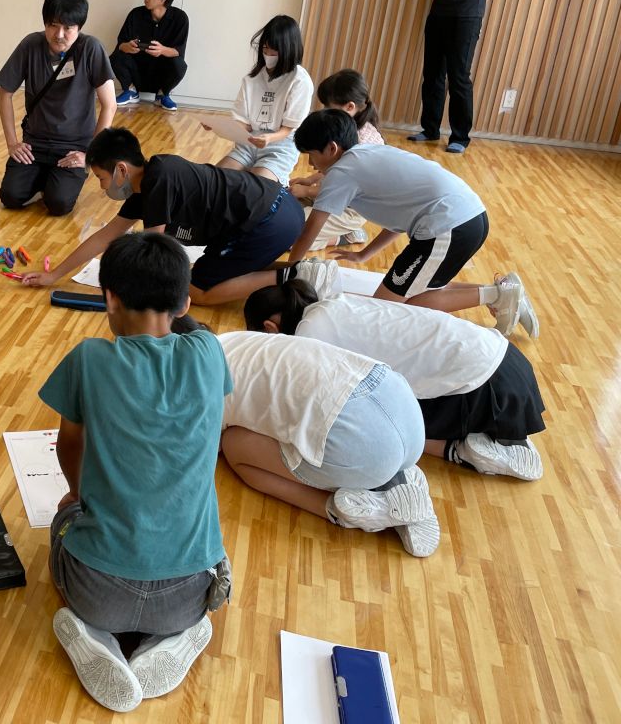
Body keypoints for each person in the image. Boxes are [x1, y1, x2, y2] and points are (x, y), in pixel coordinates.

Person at [39, 232, 231, 713]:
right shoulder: (210, 353)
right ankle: (171, 640)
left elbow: (70, 445)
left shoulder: (89, 358)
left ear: (109, 299)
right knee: (207, 558)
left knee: (62, 523)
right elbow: (193, 333)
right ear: (184, 301)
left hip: (95, 590)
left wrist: (76, 495)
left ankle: (94, 633)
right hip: (188, 593)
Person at [244, 280, 545, 480]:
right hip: (508, 362)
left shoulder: (308, 337)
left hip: (482, 388)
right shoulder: (336, 302)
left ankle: (461, 450)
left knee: (375, 425)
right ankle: (497, 439)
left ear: (271, 329)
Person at [288, 109, 538, 336]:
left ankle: (499, 294)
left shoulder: (342, 171)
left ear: (332, 148)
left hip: (448, 226)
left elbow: (310, 231)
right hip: (466, 218)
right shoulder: (367, 155)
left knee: (391, 308)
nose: (310, 163)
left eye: (311, 154)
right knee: (418, 288)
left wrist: (291, 273)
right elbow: (399, 218)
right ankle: (503, 291)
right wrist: (364, 254)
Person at [23, 127, 326, 308]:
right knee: (201, 272)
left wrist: (127, 291)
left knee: (197, 291)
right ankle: (296, 269)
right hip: (274, 213)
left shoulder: (159, 180)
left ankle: (291, 276)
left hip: (269, 220)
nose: (102, 187)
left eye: (101, 178)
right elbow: (105, 236)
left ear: (121, 170)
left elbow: (155, 252)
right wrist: (54, 274)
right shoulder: (146, 186)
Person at [211, 326, 440, 557]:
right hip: (402, 405)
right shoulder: (239, 338)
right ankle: (397, 479)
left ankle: (339, 511)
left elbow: (204, 448)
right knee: (286, 413)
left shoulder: (197, 381)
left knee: (234, 446)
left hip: (359, 445)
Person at [0, 0, 116, 216]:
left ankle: (51, 182)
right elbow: (5, 93)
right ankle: (41, 178)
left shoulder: (91, 48)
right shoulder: (30, 45)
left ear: (79, 27)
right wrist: (12, 143)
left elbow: (110, 105)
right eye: (52, 25)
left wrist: (89, 155)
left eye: (68, 28)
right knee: (10, 197)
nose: (59, 34)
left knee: (59, 204)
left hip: (73, 147)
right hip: (34, 143)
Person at [409, 0, 505, 154]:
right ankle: (430, 129)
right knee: (432, 73)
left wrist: (477, 4)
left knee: (459, 76)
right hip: (439, 12)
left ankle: (460, 137)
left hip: (467, 17)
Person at [213, 15, 312, 186]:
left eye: (274, 51)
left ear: (288, 50)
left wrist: (269, 138)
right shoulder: (252, 78)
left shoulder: (300, 81)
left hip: (280, 147)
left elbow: (288, 129)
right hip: (249, 143)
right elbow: (244, 123)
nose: (267, 54)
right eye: (265, 48)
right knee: (215, 180)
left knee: (256, 188)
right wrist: (220, 127)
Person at [290, 68, 382, 248]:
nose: (325, 111)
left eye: (328, 106)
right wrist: (310, 181)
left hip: (348, 208)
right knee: (283, 209)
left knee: (289, 237)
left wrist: (307, 191)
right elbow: (335, 171)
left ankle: (344, 237)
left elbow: (343, 190)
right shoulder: (347, 127)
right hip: (330, 194)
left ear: (350, 107)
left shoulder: (361, 146)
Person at [111, 0, 189, 112]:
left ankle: (162, 94)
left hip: (161, 73)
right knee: (116, 56)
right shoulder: (135, 14)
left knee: (179, 64)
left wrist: (162, 50)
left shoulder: (180, 18)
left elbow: (179, 51)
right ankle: (130, 91)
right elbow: (121, 44)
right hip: (137, 71)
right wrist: (127, 47)